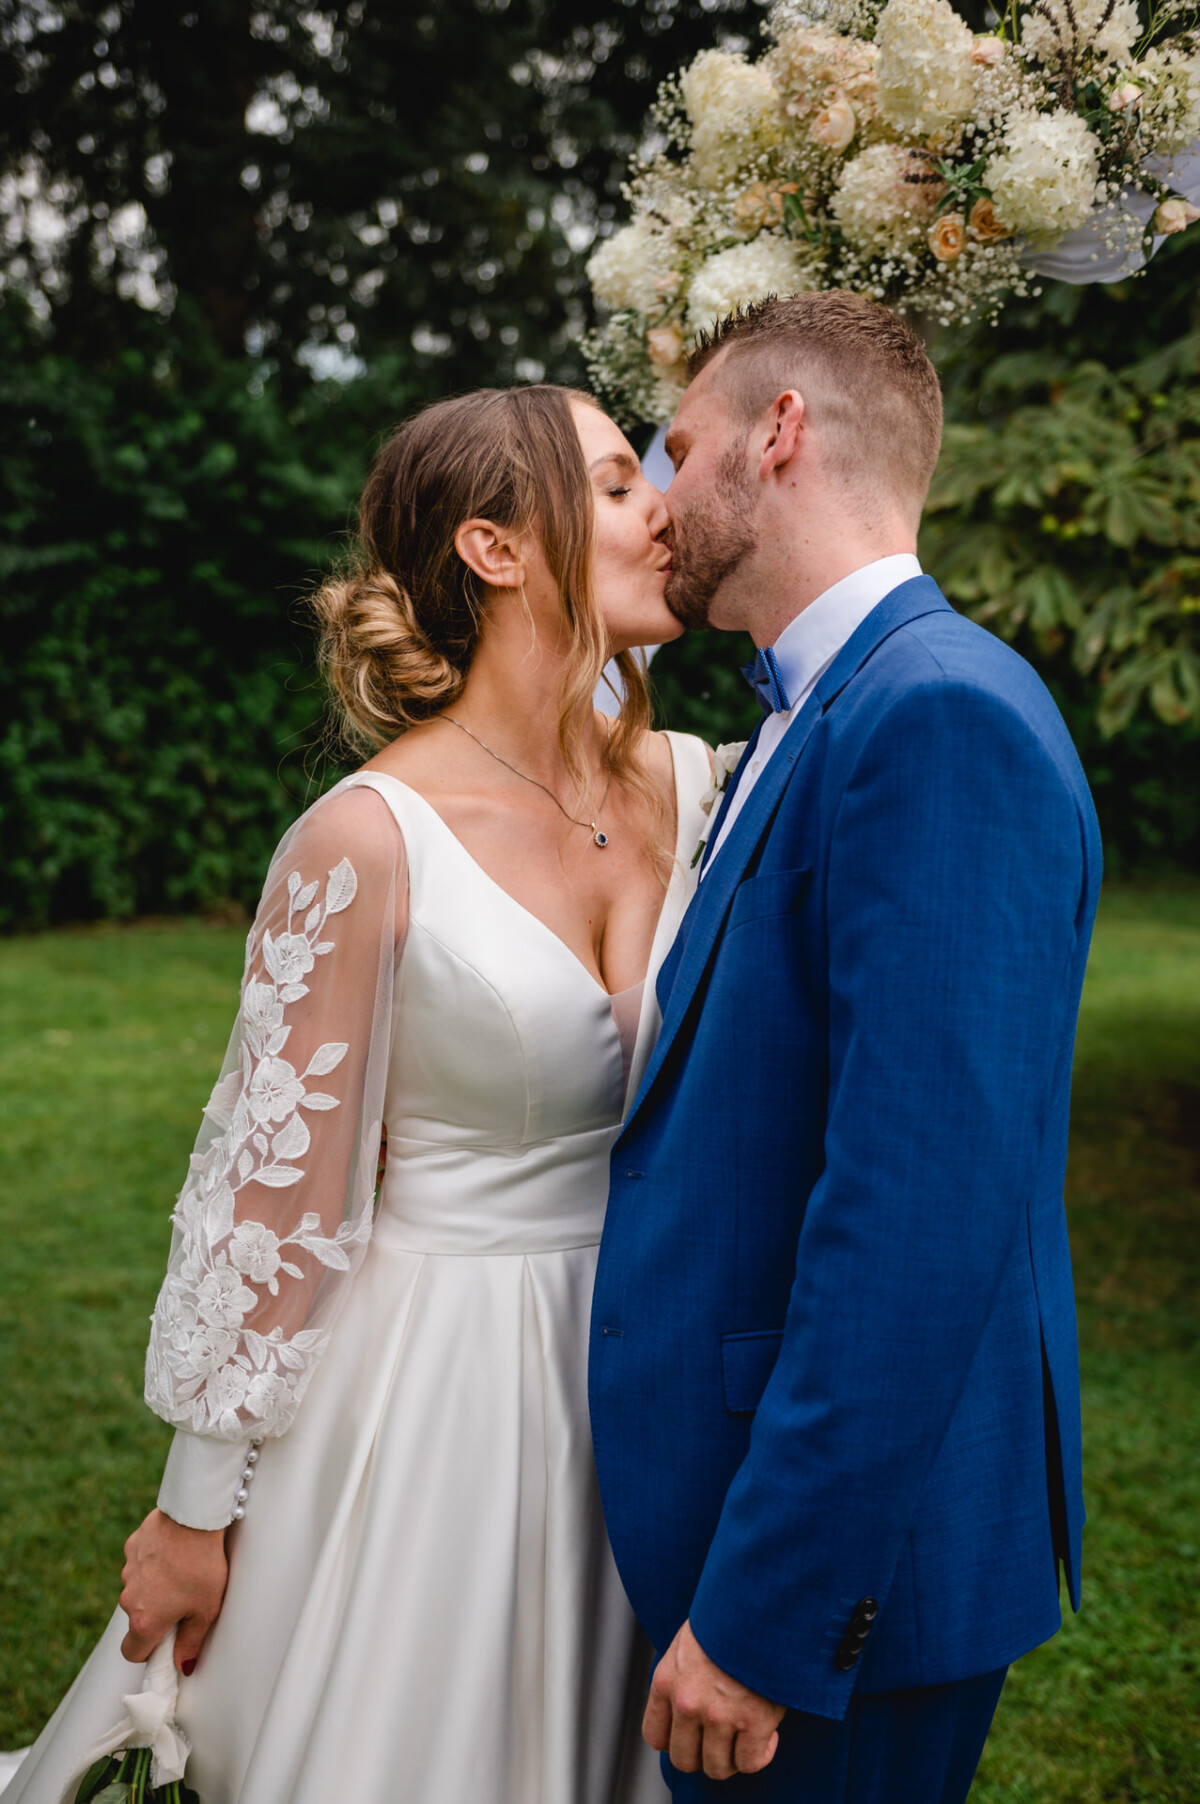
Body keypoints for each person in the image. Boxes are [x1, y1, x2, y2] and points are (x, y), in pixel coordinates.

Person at [7, 384, 711, 1804]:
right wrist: (194, 1512)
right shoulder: (367, 840)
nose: (667, 511)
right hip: (441, 1389)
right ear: (495, 549)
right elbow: (273, 1199)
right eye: (617, 484)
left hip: (656, 1375)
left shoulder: (704, 790)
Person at [589, 292, 1102, 1802]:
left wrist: (771, 1613)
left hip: (844, 1583)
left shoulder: (935, 717)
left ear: (781, 433)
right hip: (762, 1515)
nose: (661, 496)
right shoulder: (830, 708)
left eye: (680, 448)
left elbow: (919, 1214)